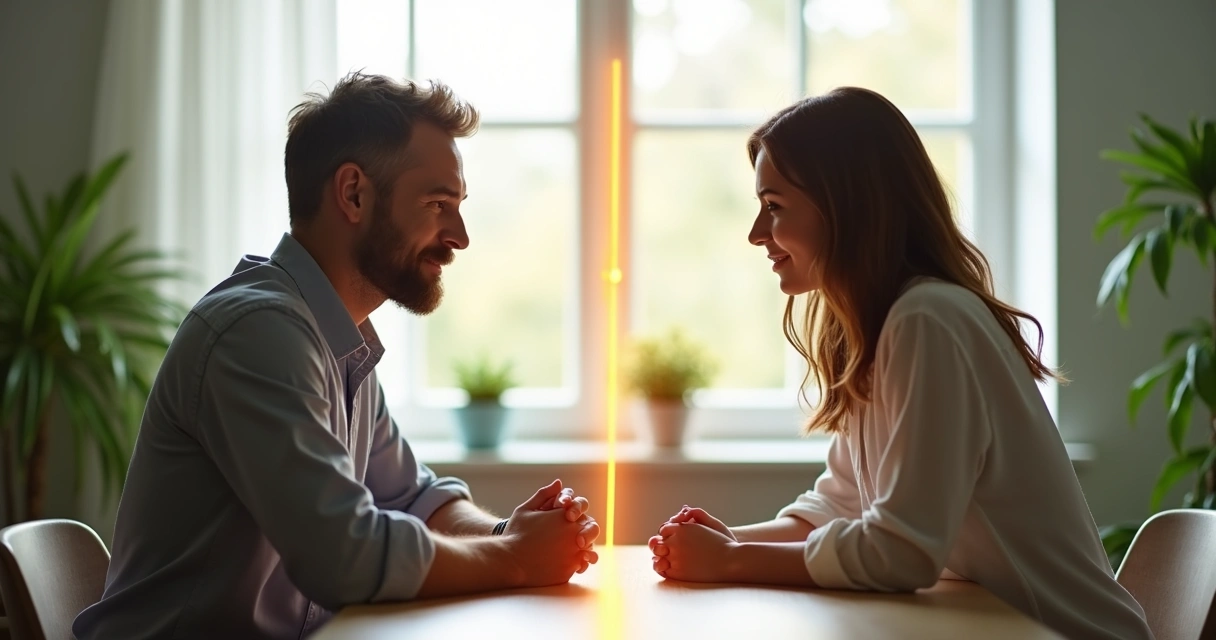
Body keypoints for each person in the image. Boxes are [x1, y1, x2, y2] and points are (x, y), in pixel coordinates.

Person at [74, 72, 600, 640]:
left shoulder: (336, 338)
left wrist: (503, 533)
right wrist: (520, 559)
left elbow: (414, 498)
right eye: (438, 203)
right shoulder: (258, 333)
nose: (460, 235)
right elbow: (342, 557)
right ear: (352, 193)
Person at [646, 88, 1153, 640]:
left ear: (846, 206)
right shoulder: (884, 325)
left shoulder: (927, 319)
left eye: (774, 207)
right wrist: (734, 541)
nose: (756, 234)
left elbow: (901, 553)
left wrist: (731, 562)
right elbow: (840, 503)